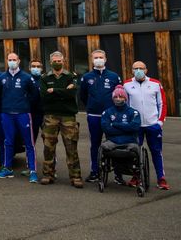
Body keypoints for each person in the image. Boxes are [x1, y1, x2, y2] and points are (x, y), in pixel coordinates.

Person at [39, 51, 83, 188]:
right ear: (50, 62)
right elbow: (45, 96)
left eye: (60, 61)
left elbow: (72, 94)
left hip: (68, 116)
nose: (57, 63)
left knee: (71, 147)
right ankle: (48, 174)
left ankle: (75, 176)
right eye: (55, 61)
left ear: (63, 61)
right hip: (50, 116)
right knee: (48, 147)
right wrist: (63, 91)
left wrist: (54, 91)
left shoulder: (71, 76)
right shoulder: (44, 78)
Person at [124, 61, 170, 190]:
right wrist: (129, 122)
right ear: (132, 70)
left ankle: (161, 178)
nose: (138, 70)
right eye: (136, 68)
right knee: (134, 152)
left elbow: (162, 104)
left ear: (146, 70)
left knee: (156, 151)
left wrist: (159, 122)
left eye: (141, 68)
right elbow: (125, 106)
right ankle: (136, 177)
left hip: (152, 124)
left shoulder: (155, 84)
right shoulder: (127, 85)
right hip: (136, 126)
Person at [79, 49, 121, 183]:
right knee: (95, 144)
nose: (98, 59)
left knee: (115, 143)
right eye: (96, 57)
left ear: (105, 59)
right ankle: (95, 171)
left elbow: (119, 95)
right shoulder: (87, 77)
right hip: (93, 115)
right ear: (92, 60)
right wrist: (91, 106)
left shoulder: (114, 76)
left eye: (100, 57)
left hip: (111, 116)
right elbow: (83, 96)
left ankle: (118, 173)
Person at [0, 53, 38, 183]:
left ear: (19, 61)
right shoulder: (2, 78)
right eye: (10, 60)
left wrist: (24, 105)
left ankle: (32, 171)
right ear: (7, 61)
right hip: (7, 114)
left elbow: (34, 95)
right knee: (8, 142)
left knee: (29, 143)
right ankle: (7, 168)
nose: (12, 62)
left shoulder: (27, 77)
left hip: (23, 114)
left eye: (14, 60)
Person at [100, 86, 141, 186]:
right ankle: (117, 175)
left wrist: (115, 125)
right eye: (116, 97)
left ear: (125, 98)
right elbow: (106, 129)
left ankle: (136, 176)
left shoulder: (133, 112)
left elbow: (134, 127)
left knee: (135, 149)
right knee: (104, 147)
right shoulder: (107, 112)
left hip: (130, 142)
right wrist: (126, 128)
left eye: (121, 97)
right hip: (112, 141)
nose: (118, 99)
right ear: (112, 98)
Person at [28, 59, 45, 144]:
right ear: (29, 68)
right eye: (33, 66)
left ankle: (51, 157)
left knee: (49, 138)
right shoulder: (26, 79)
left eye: (38, 66)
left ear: (42, 68)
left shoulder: (45, 80)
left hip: (44, 113)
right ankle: (31, 156)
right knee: (31, 138)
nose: (36, 68)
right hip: (31, 114)